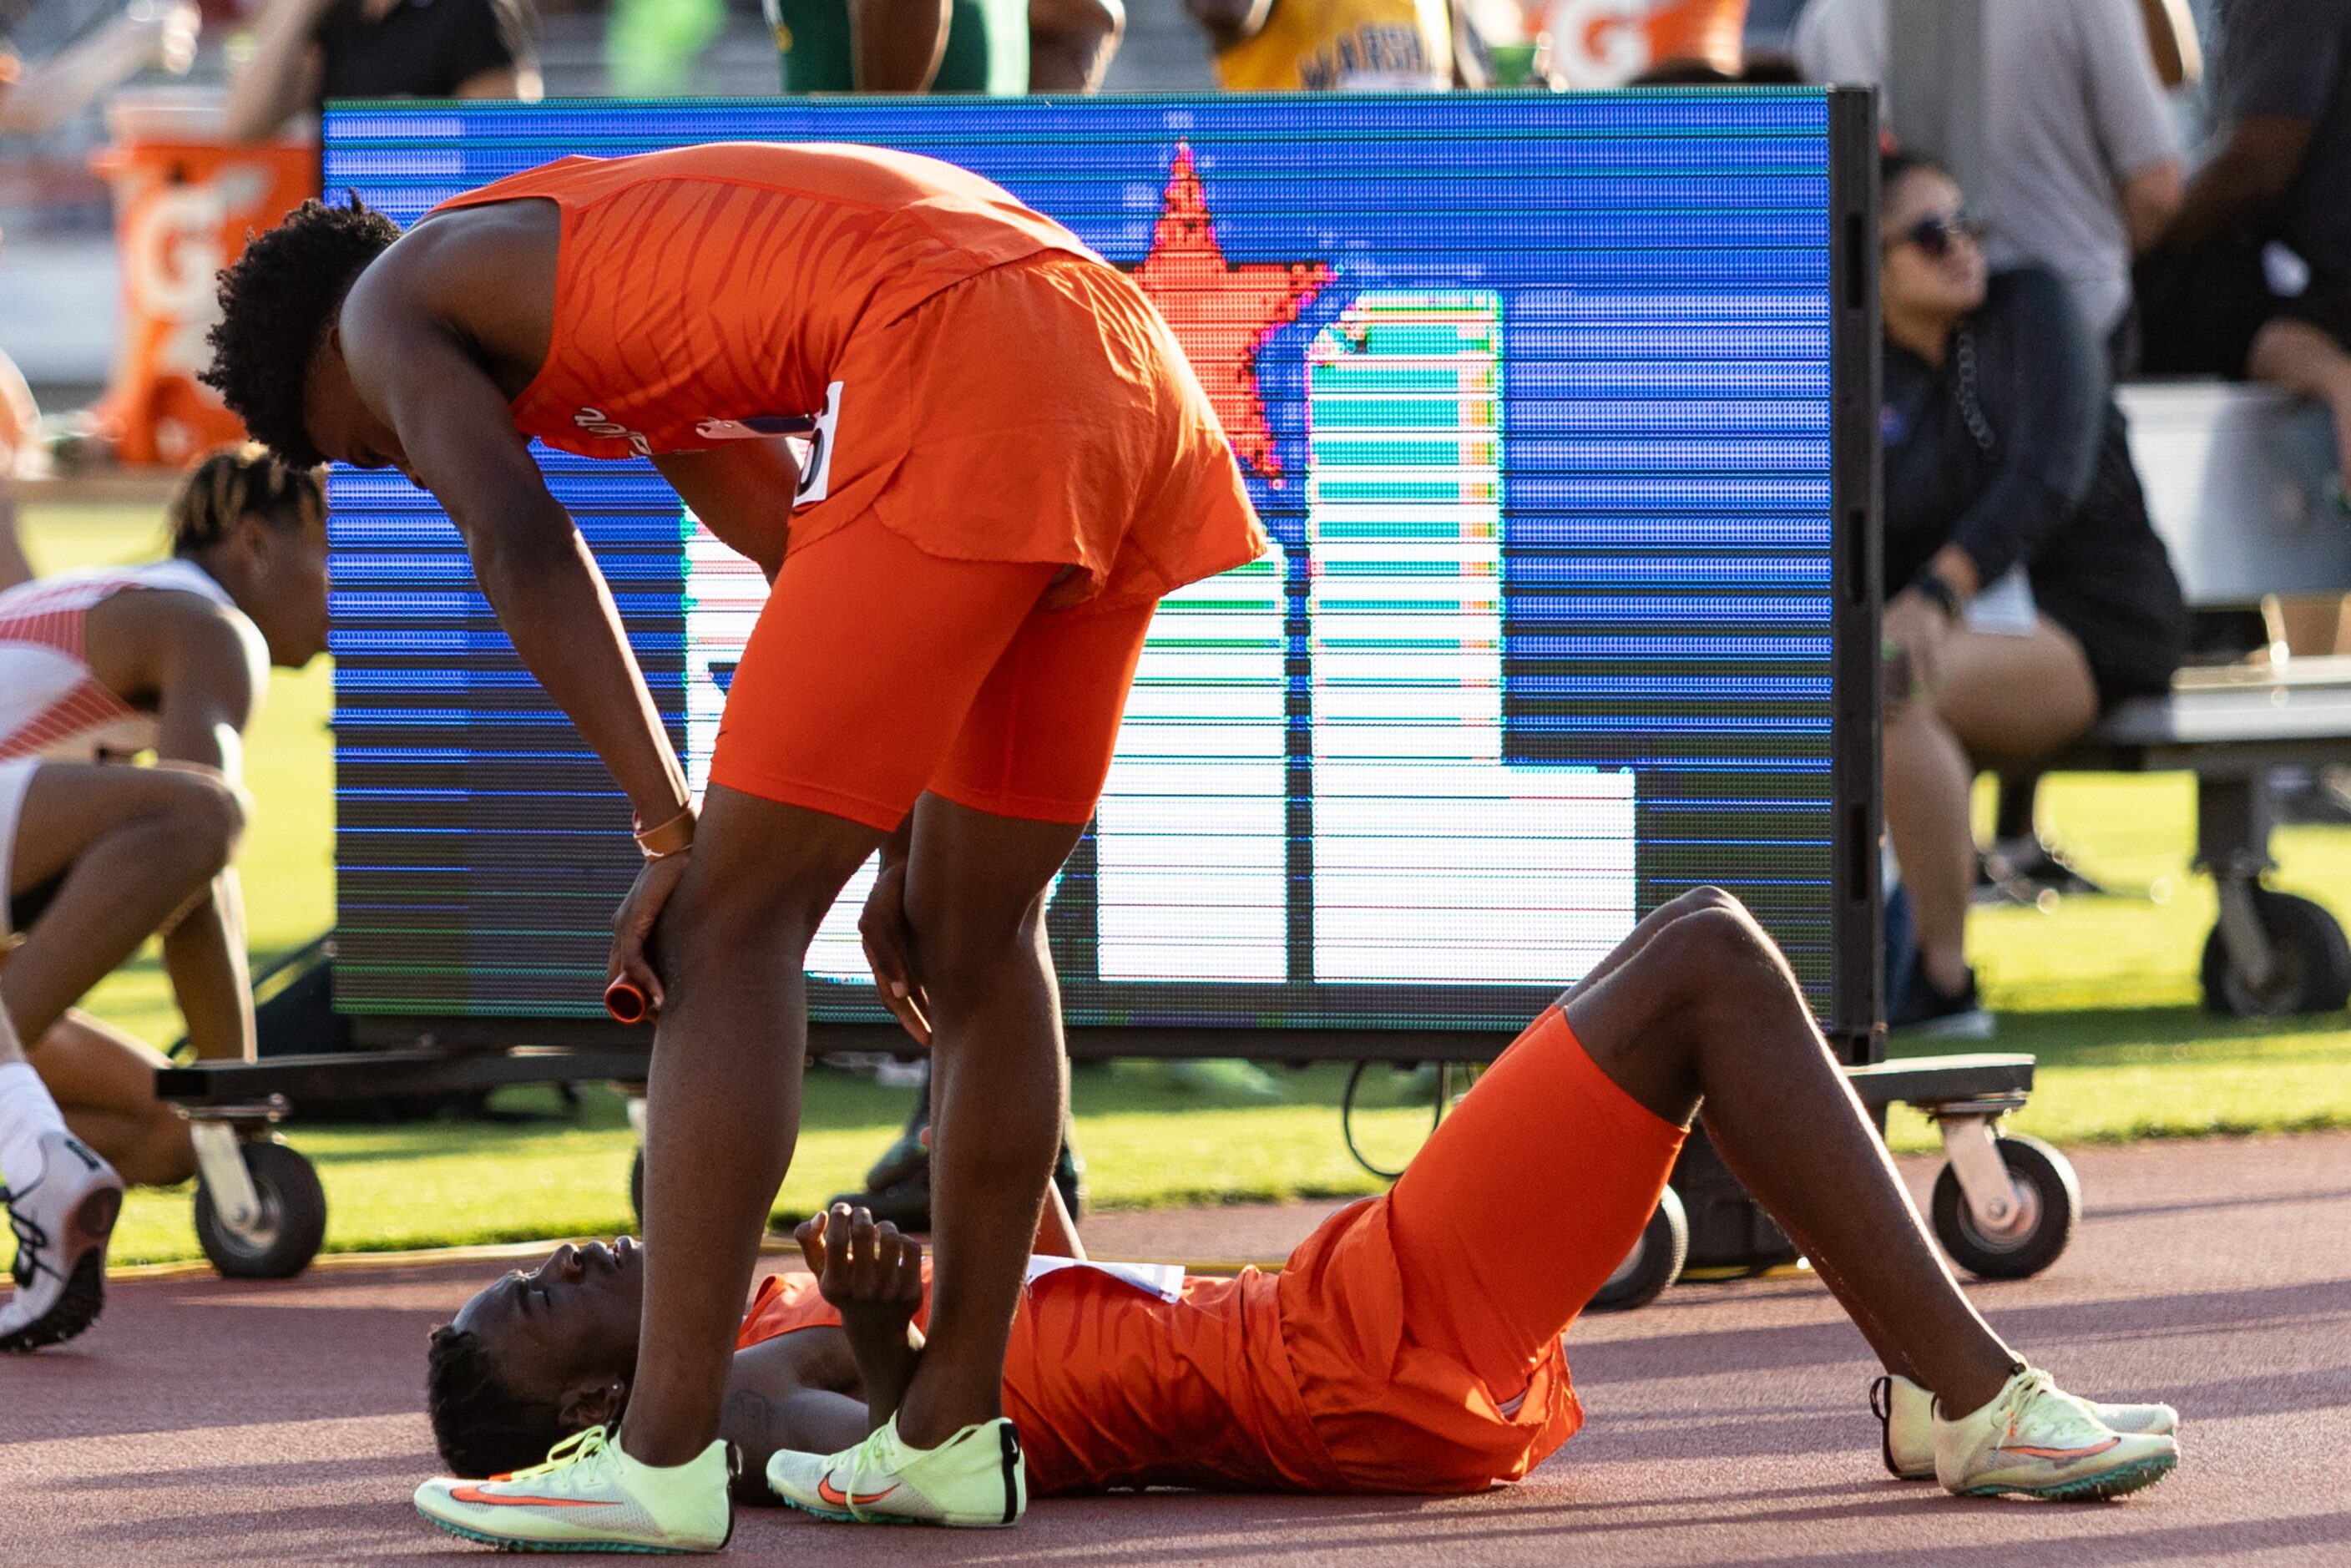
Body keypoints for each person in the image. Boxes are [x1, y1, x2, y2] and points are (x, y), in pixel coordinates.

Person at [203, 144, 1262, 1549]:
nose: (392, 453)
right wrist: (891, 823)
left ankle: (661, 1451)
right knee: (975, 930)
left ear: (323, 359)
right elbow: (794, 547)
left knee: (716, 929)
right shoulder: (612, 307)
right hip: (1116, 357)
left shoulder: (390, 304)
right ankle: (948, 1433)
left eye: (357, 446)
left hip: (969, 349)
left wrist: (668, 826)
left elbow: (518, 541)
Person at [417, 887, 2181, 1545]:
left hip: (1319, 1319)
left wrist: (970, 1027)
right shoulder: (732, 1408)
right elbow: (915, 1473)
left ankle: (1932, 1396)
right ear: (586, 1414)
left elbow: (1037, 1278)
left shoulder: (747, 1331)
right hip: (1334, 1359)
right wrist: (888, 1337)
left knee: (1681, 950)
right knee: (1707, 964)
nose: (564, 1258)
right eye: (541, 1298)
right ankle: (1967, 1399)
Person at [1875, 152, 2187, 1037]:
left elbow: (2045, 476)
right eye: (1930, 235)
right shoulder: (1868, 369)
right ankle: (1865, 945)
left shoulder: (2032, 308)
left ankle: (1939, 984)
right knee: (1855, 681)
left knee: (1891, 690)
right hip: (1975, 626)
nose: (1960, 248)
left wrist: (1932, 594)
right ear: (1870, 261)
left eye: (1965, 224)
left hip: (2096, 619)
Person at [2, 448, 331, 1189]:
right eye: (334, 557)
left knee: (168, 1135)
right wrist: (242, 1105)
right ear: (255, 545)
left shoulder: (130, 601)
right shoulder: (209, 626)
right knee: (201, 813)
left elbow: (186, 879)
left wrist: (230, 1123)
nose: (352, 598)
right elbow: (199, 846)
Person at [2140, 0, 2351, 658]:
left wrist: (2141, 234)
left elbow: (2259, 160)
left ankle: (2216, 638)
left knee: (2168, 298)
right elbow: (2174, 73)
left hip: (2319, 277)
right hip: (2306, 291)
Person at [222, 0, 539, 145]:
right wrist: (300, 8)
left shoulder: (467, 13)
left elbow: (501, 145)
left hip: (428, 242)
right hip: (346, 244)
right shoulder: (337, 18)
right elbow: (244, 125)